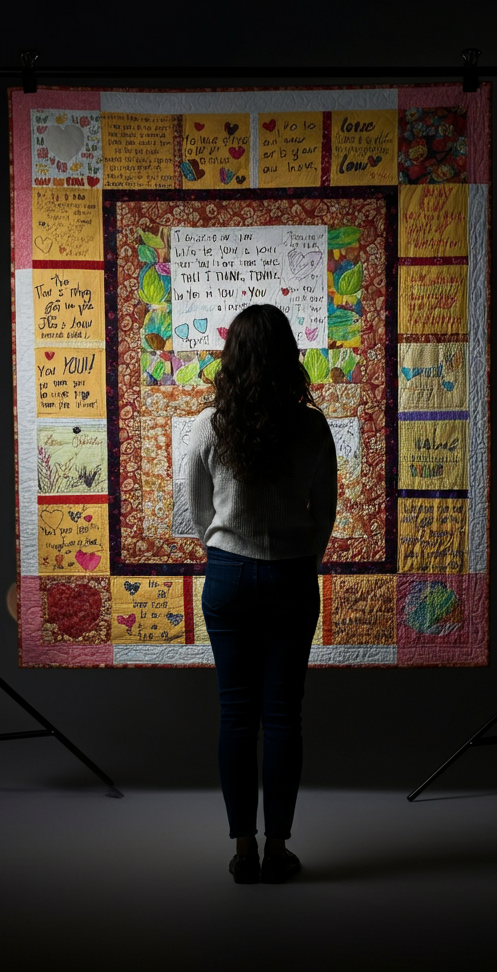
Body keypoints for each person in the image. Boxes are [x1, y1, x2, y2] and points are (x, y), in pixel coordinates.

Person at [186, 304, 338, 884]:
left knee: (235, 717)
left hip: (227, 575)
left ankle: (242, 850)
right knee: (282, 718)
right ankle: (278, 849)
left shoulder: (211, 424)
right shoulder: (312, 426)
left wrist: (225, 546)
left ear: (232, 358)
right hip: (292, 575)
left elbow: (196, 508)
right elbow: (324, 513)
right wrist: (301, 555)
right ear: (289, 356)